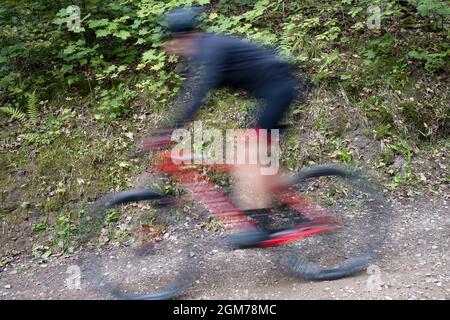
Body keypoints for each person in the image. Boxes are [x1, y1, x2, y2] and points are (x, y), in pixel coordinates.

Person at [161, 7, 301, 248]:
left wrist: (168, 130)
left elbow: (198, 95)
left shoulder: (210, 49)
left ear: (181, 36)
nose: (173, 47)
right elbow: (190, 92)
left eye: (173, 40)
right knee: (252, 153)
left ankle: (258, 224)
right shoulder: (205, 49)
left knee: (246, 153)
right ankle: (288, 204)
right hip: (270, 93)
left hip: (279, 90)